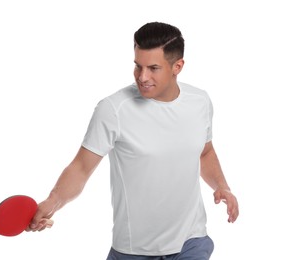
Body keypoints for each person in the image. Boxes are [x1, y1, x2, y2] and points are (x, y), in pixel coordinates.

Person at [26, 22, 239, 259]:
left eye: (153, 68)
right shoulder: (114, 109)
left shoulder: (200, 101)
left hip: (192, 241)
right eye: (138, 66)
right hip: (135, 250)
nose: (142, 77)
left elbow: (204, 152)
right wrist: (52, 202)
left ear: (177, 66)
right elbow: (81, 167)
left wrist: (222, 187)